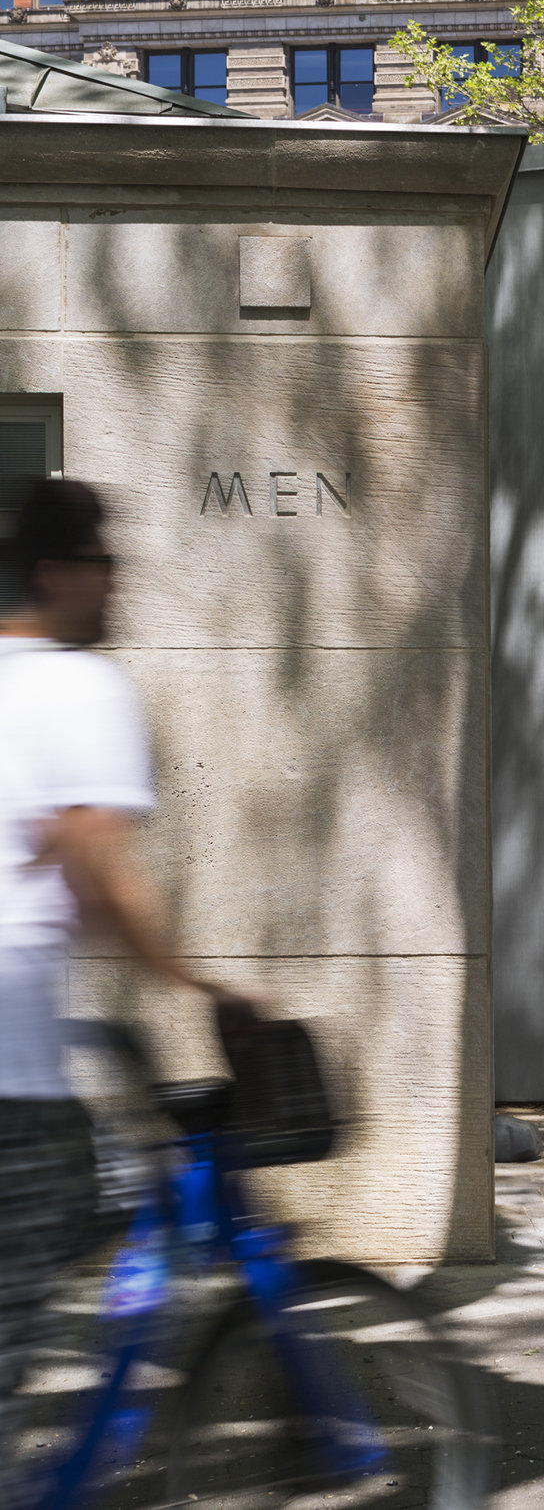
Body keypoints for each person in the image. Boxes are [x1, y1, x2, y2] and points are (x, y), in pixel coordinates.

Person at [0, 479, 241, 1496]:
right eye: (105, 565)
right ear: (59, 573)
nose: (117, 585)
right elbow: (102, 872)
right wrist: (201, 986)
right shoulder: (75, 687)